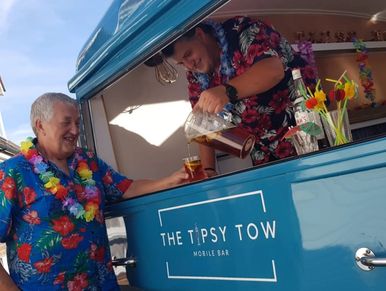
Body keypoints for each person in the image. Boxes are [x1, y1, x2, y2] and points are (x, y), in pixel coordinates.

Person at [0, 93, 188, 290]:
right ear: (40, 126)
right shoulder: (13, 172)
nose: (74, 130)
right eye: (66, 123)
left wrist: (171, 179)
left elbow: (126, 187)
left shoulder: (88, 161)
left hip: (101, 284)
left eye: (77, 123)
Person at [162, 16, 316, 174]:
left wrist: (225, 91)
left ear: (200, 34)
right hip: (263, 155)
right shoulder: (195, 75)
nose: (189, 65)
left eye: (188, 54)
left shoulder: (243, 30)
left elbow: (273, 71)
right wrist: (208, 171)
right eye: (181, 63)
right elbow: (202, 122)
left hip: (306, 138)